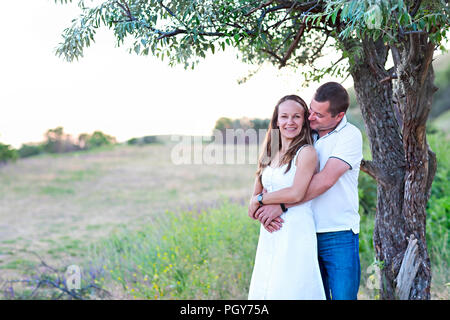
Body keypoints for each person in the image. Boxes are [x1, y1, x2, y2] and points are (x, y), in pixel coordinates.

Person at [254, 82, 363, 300]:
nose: (311, 117)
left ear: (339, 116)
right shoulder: (307, 135)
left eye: (319, 115)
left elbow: (323, 181)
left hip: (337, 232)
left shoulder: (349, 136)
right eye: (311, 110)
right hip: (304, 231)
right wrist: (261, 203)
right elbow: (270, 170)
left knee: (342, 297)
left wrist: (280, 205)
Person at [247, 94, 326, 300]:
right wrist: (258, 207)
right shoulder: (269, 150)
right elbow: (252, 205)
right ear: (276, 121)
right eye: (284, 117)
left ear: (304, 120)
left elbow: (296, 192)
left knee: (291, 289)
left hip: (295, 230)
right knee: (267, 289)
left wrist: (261, 200)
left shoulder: (306, 152)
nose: (289, 122)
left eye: (296, 117)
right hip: (271, 231)